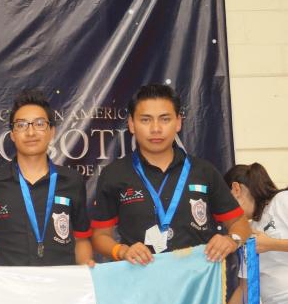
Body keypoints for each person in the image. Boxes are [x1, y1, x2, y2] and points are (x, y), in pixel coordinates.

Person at [90, 83, 251, 264]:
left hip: (197, 283)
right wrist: (122, 251)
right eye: (145, 120)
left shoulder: (204, 172)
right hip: (139, 282)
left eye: (165, 119)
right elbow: (99, 236)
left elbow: (240, 223)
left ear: (178, 122)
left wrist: (231, 240)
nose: (156, 128)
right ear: (131, 124)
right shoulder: (115, 174)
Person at [0, 90, 93, 266]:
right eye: (22, 125)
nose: (31, 132)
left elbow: (81, 240)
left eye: (39, 124)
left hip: (60, 287)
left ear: (52, 131)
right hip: (11, 288)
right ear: (12, 134)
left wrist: (86, 268)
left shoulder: (72, 181)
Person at [225, 164, 288, 304]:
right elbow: (244, 290)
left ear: (236, 190)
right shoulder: (248, 231)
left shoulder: (282, 201)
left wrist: (272, 244)